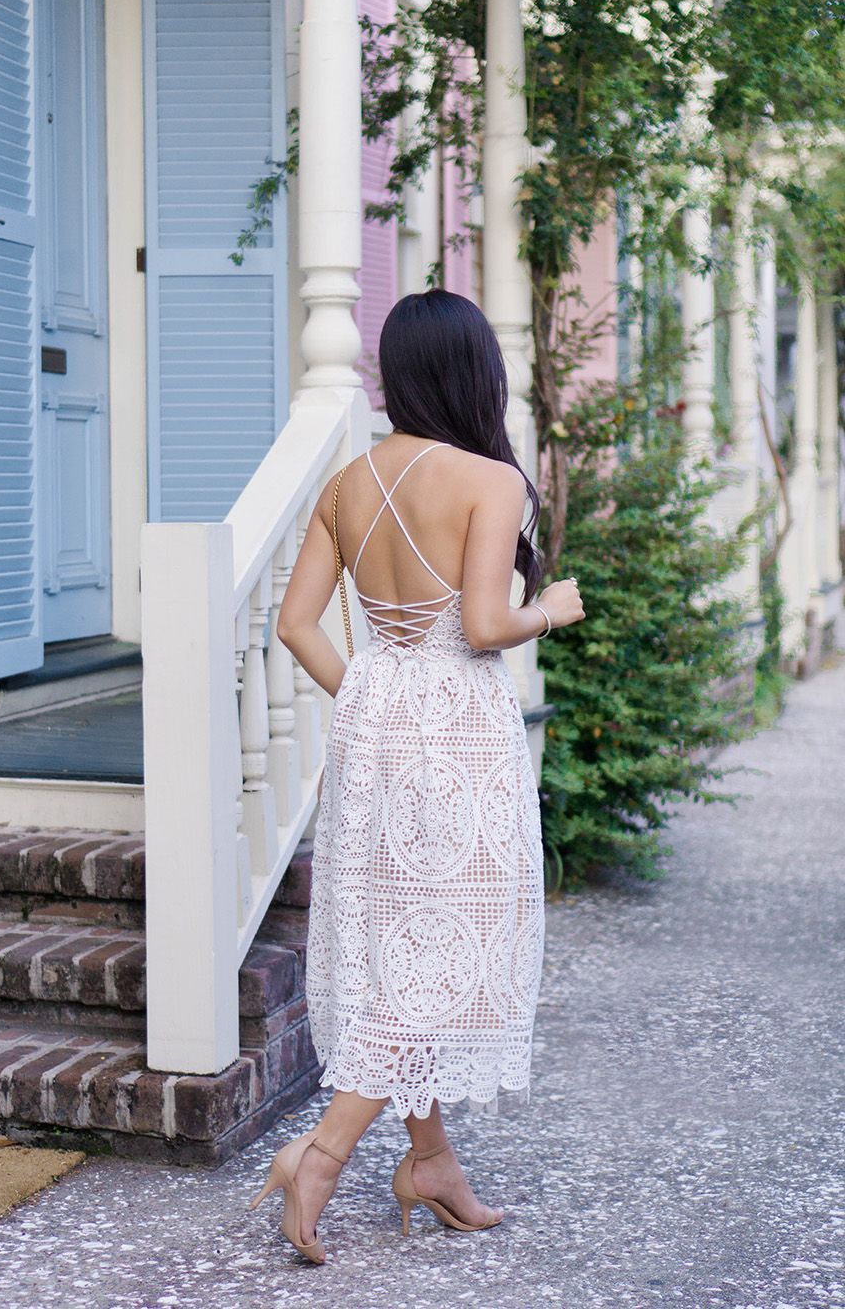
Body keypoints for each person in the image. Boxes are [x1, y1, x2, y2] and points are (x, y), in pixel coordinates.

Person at [254, 289, 585, 1263]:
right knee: (450, 950)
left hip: (378, 734)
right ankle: (319, 1153)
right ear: (474, 372)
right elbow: (483, 625)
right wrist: (551, 608)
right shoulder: (489, 480)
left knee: (406, 939)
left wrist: (368, 692)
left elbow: (294, 623)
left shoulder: (350, 480)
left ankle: (431, 1160)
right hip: (461, 739)